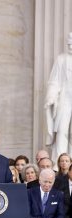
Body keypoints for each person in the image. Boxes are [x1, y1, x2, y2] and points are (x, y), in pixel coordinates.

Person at [45, 32, 72, 169]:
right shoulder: (62, 59)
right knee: (62, 131)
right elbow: (54, 81)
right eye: (69, 43)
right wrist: (51, 95)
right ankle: (59, 164)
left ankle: (70, 164)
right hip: (64, 100)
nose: (70, 45)